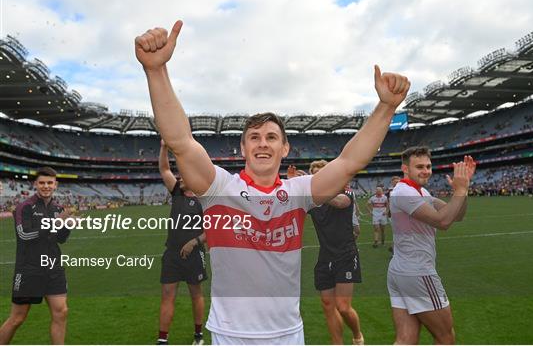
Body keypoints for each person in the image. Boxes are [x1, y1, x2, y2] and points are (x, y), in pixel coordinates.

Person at [135, 20, 410, 344]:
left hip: (286, 336)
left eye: (270, 137)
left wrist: (386, 107)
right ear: (242, 148)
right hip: (230, 336)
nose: (262, 143)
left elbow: (350, 162)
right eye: (254, 137)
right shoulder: (218, 189)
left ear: (285, 148)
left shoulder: (297, 192)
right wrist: (156, 71)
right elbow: (180, 140)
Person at [387, 147, 475, 344]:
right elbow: (442, 222)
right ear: (405, 168)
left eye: (428, 166)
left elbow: (457, 215)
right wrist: (459, 190)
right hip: (418, 272)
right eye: (419, 167)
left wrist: (463, 189)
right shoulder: (403, 192)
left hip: (401, 271)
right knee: (445, 337)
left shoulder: (421, 191)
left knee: (406, 339)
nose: (425, 170)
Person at [0, 167, 71, 344]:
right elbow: (24, 234)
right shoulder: (24, 207)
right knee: (17, 318)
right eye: (42, 183)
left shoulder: (58, 209)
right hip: (29, 270)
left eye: (49, 183)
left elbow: (60, 239)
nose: (46, 186)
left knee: (61, 312)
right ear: (35, 184)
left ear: (56, 185)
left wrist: (67, 225)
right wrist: (52, 224)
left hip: (53, 268)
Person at [304, 161, 364, 345]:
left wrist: (312, 189)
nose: (319, 179)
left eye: (323, 175)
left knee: (343, 307)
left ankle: (357, 336)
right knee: (328, 306)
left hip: (346, 254)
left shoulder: (345, 192)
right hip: (325, 256)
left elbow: (340, 203)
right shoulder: (311, 201)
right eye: (315, 176)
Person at [157, 140, 207, 345]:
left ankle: (198, 335)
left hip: (195, 254)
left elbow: (211, 230)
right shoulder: (176, 192)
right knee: (167, 294)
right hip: (172, 254)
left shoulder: (204, 200)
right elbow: (164, 169)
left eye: (184, 174)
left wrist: (194, 242)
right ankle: (162, 340)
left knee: (196, 293)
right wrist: (164, 147)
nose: (179, 177)